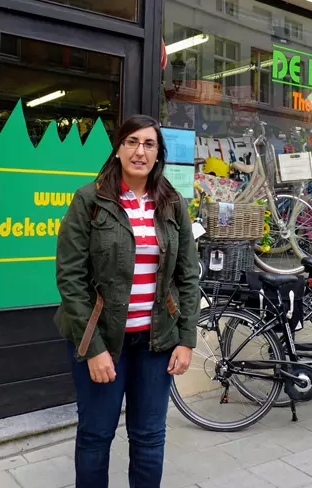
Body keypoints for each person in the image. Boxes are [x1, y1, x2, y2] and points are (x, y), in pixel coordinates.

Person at [54, 114, 200, 488]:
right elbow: (70, 278)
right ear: (118, 149)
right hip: (102, 338)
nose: (140, 151)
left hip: (156, 341)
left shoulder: (172, 203)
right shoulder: (90, 199)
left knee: (150, 437)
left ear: (158, 153)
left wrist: (186, 339)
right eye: (131, 142)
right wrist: (93, 349)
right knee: (95, 434)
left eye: (149, 144)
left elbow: (188, 276)